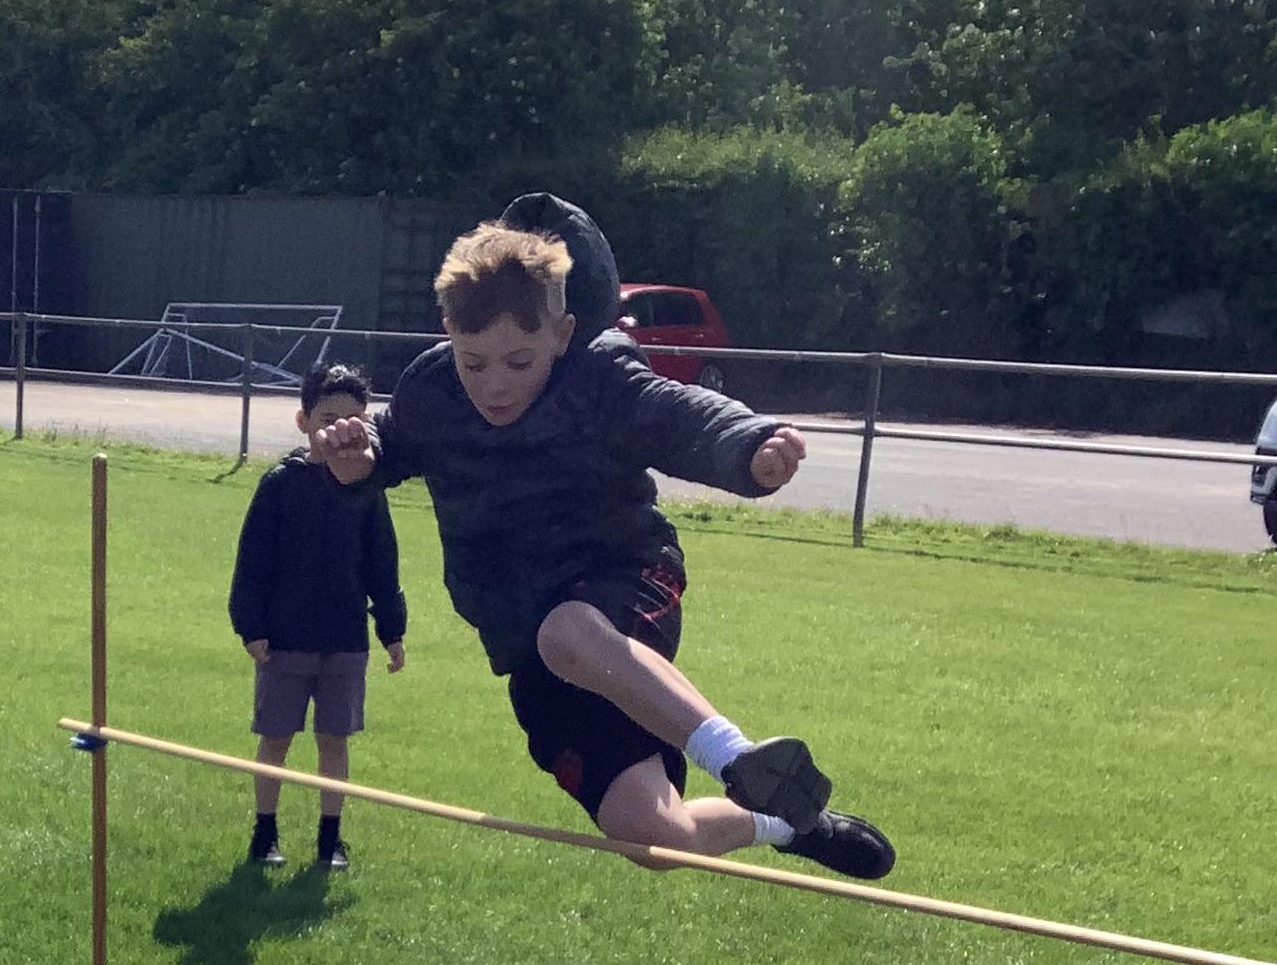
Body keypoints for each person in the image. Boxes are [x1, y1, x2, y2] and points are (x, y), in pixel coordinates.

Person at [317, 207, 893, 879]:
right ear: (450, 335)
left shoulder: (600, 378)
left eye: (519, 361)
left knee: (566, 630)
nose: (495, 383)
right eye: (474, 362)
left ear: (563, 334)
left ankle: (737, 758)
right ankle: (787, 823)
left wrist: (750, 445)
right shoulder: (432, 388)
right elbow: (389, 445)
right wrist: (357, 457)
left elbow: (679, 414)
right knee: (656, 840)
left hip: (627, 579)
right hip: (529, 649)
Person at [229, 359, 408, 874]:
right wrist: (251, 627)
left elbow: (382, 563)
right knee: (276, 739)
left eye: (354, 421)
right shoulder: (279, 485)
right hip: (284, 642)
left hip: (345, 641)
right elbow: (252, 562)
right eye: (328, 419)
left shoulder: (367, 490)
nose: (340, 431)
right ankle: (265, 832)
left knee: (334, 742)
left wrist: (392, 630)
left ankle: (330, 839)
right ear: (303, 421)